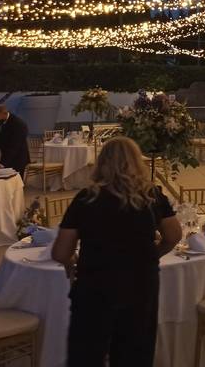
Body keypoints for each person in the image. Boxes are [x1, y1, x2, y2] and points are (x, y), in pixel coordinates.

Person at [51, 137, 182, 367]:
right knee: (135, 352)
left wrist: (72, 261)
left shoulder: (86, 198)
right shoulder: (152, 196)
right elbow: (174, 236)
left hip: (95, 285)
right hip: (141, 285)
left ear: (102, 162)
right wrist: (154, 255)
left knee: (87, 353)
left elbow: (61, 251)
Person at [0, 105, 30, 176]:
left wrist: (1, 164)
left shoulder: (18, 124)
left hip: (18, 159)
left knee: (16, 183)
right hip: (6, 157)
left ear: (1, 113)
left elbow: (15, 146)